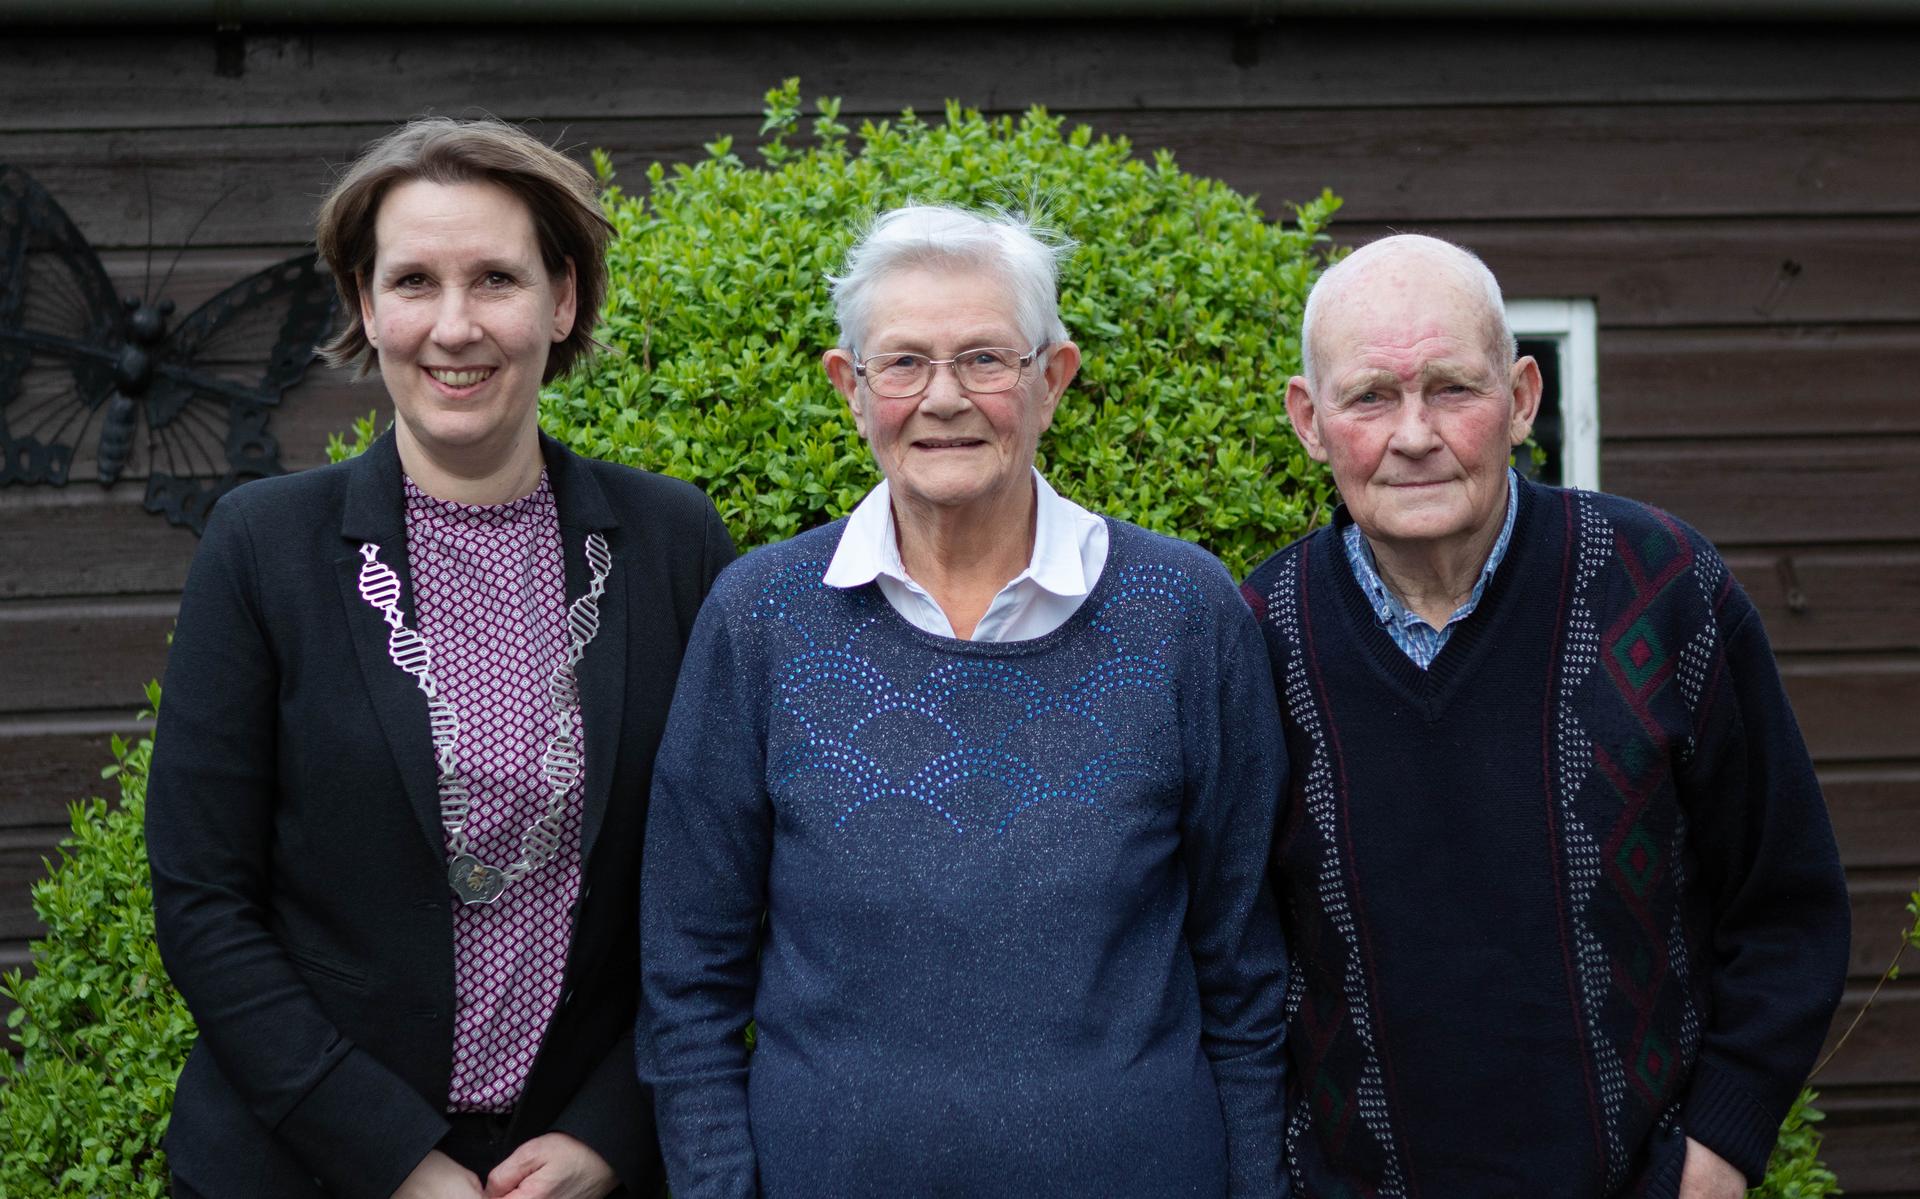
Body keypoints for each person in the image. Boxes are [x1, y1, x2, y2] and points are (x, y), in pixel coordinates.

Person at [637, 204, 1290, 1198]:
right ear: (849, 389)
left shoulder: (1182, 611)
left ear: (1052, 379)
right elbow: (688, 972)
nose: (944, 398)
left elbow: (1246, 970)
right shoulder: (761, 616)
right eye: (903, 364)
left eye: (986, 359)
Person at [146, 117, 734, 1199]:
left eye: (496, 279)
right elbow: (201, 897)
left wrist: (612, 1128)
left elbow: (723, 884)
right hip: (302, 1165)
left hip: (568, 1168)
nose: (454, 326)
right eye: (413, 280)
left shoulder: (672, 543)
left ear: (561, 300)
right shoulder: (262, 545)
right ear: (366, 307)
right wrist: (397, 1159)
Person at [1240, 233, 1851, 1198]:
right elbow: (1227, 964)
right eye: (1369, 397)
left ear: (1521, 399)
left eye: (1451, 388)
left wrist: (1720, 1152)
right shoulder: (1253, 640)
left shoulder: (1665, 590)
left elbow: (1788, 906)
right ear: (1309, 421)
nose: (1413, 433)